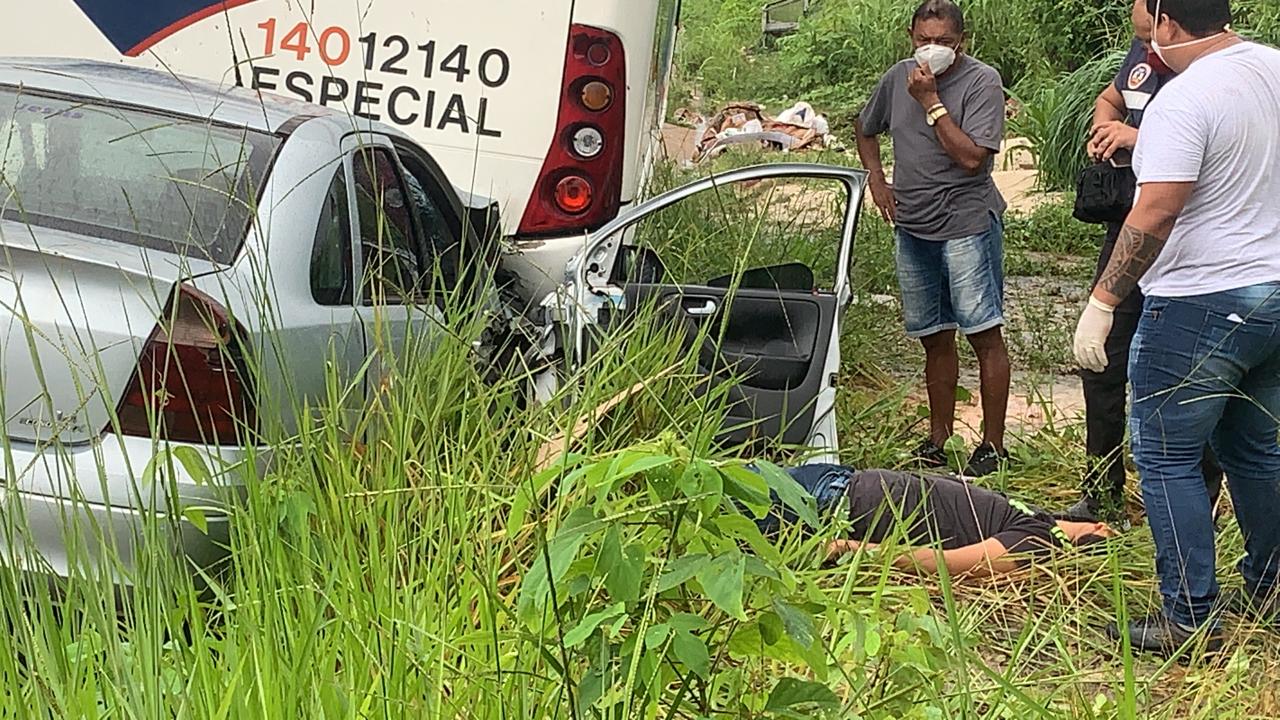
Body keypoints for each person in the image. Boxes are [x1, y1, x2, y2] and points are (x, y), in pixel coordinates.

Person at [1073, 0, 1280, 655]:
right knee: (1255, 451)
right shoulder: (1273, 70)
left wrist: (1104, 299)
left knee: (1166, 457)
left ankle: (1188, 619)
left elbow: (1157, 208)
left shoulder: (1182, 100)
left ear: (1164, 23)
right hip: (1271, 295)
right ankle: (1271, 590)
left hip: (1198, 300)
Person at [1063, 0, 1224, 523]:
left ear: (1166, 14)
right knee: (1101, 358)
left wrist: (1141, 136)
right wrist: (1107, 127)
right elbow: (1109, 97)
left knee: (1192, 370)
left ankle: (1201, 493)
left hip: (1187, 234)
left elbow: (1198, 145)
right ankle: (1102, 487)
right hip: (1128, 222)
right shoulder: (1144, 50)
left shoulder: (1208, 62)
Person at [855, 0, 1011, 478]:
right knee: (934, 338)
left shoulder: (982, 82)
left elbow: (971, 159)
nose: (933, 50)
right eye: (925, 40)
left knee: (983, 331)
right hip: (914, 225)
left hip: (967, 223)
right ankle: (938, 437)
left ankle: (992, 445)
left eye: (943, 42)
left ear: (961, 42)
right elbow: (865, 129)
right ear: (911, 36)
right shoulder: (896, 77)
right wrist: (877, 179)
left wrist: (931, 102)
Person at [754, 464, 1113, 576]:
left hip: (836, 505)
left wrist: (853, 550)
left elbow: (949, 565)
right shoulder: (1037, 518)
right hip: (841, 486)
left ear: (1098, 530)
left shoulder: (1038, 541)